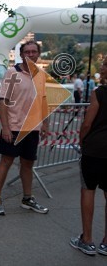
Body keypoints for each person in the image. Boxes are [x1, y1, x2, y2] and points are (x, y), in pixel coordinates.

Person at [0, 40, 50, 216]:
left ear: (38, 54)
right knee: (6, 162)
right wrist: (6, 128)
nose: (31, 55)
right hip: (14, 127)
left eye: (34, 52)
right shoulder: (12, 72)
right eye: (27, 52)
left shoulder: (41, 75)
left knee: (27, 164)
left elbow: (44, 101)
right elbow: (3, 102)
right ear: (22, 54)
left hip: (32, 128)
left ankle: (27, 198)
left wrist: (45, 123)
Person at [70, 56, 107, 256]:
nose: (101, 67)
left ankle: (87, 239)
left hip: (95, 149)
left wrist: (82, 141)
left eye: (104, 65)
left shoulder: (99, 93)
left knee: (88, 190)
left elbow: (87, 124)